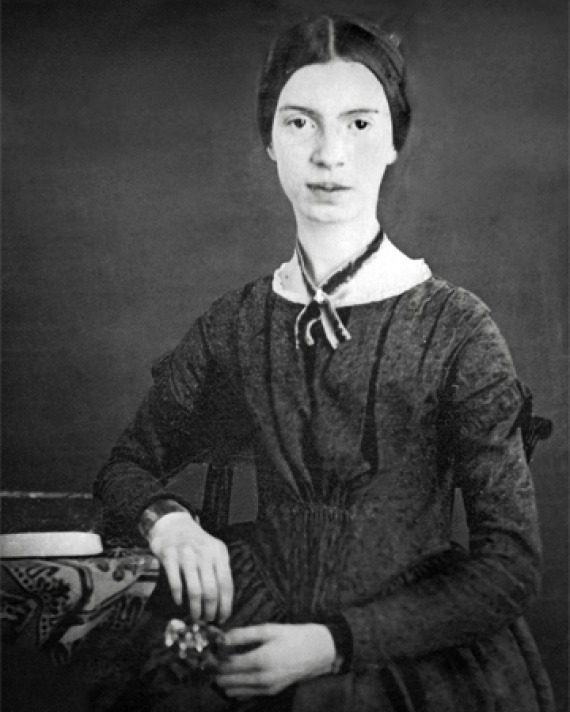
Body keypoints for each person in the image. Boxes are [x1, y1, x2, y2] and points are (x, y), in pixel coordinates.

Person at [93, 14, 555, 712]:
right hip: (253, 617)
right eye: (300, 123)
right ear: (269, 142)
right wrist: (172, 523)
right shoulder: (237, 323)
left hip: (404, 651)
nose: (330, 154)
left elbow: (511, 567)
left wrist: (333, 642)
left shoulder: (457, 327)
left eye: (360, 124)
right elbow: (125, 469)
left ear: (395, 142)